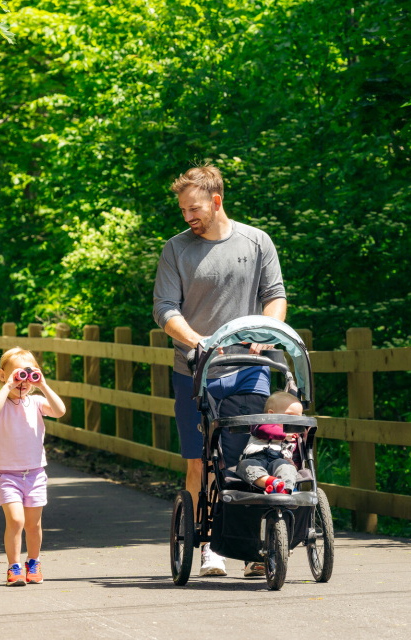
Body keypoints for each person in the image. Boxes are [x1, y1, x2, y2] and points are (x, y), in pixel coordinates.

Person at [153, 163, 287, 578]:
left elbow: (275, 296)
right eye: (182, 210)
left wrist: (268, 331)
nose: (188, 216)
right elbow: (164, 309)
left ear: (216, 201)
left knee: (249, 455)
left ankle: (253, 549)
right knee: (200, 462)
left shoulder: (256, 241)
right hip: (195, 368)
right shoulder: (176, 249)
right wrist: (198, 341)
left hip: (249, 368)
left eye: (194, 208)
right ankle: (207, 545)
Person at [0, 347, 67, 587]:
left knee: (33, 524)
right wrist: (7, 386)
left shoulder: (37, 402)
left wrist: (42, 385)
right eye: (18, 375)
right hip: (6, 474)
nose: (23, 381)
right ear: (3, 375)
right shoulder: (1, 404)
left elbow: (60, 411)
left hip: (35, 473)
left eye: (28, 375)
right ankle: (14, 567)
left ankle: (33, 562)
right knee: (16, 522)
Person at [236, 392, 303, 494]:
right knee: (244, 465)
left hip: (279, 462)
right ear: (271, 415)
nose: (293, 421)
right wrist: (284, 435)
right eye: (289, 416)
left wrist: (295, 466)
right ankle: (271, 482)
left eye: (298, 418)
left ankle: (284, 490)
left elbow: (297, 456)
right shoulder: (261, 424)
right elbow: (265, 431)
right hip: (256, 459)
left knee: (288, 468)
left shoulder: (294, 437)